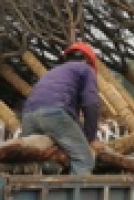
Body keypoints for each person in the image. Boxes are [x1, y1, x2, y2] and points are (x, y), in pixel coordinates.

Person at [21, 42, 101, 175]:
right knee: (84, 160)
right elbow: (91, 104)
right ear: (87, 60)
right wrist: (90, 140)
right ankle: (73, 196)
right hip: (54, 114)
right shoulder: (86, 69)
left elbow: (70, 118)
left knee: (37, 161)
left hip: (28, 116)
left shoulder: (53, 72)